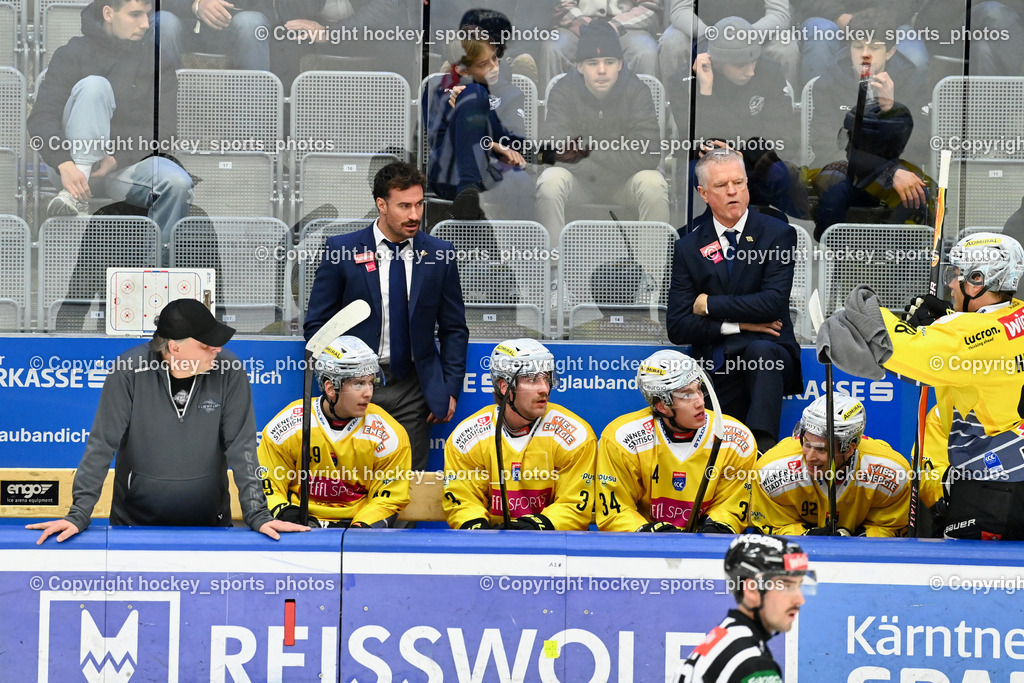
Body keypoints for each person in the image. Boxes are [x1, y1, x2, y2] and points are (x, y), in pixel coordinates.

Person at [27, 299, 308, 544]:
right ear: (175, 348)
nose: (218, 349)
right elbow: (102, 444)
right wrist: (79, 515)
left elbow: (242, 446)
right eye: (207, 344)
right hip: (134, 526)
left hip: (210, 523)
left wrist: (258, 514)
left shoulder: (230, 371)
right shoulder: (129, 371)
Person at [816, 232, 1024, 540]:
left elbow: (895, 348)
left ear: (978, 279)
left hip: (992, 489)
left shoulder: (966, 335)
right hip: (1011, 475)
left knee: (971, 581)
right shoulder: (1015, 315)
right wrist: (944, 321)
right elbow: (978, 338)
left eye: (957, 275)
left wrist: (865, 307)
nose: (951, 285)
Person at [304, 161, 469, 470]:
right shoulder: (342, 250)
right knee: (350, 480)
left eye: (419, 204)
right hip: (353, 386)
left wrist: (448, 388)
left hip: (413, 389)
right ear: (381, 205)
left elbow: (454, 329)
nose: (415, 215)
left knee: (407, 489)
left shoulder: (440, 254)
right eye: (404, 206)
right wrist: (343, 376)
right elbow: (317, 326)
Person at [667, 148, 802, 452]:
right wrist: (739, 324)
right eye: (721, 185)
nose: (732, 191)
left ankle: (762, 450)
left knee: (761, 349)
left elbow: (771, 304)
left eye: (738, 183)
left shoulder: (778, 234)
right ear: (703, 193)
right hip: (716, 355)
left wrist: (709, 305)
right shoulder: (688, 246)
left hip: (771, 352)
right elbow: (677, 326)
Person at [27, 0, 193, 240]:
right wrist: (64, 163)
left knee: (178, 183)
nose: (146, 24)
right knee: (95, 86)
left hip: (124, 167)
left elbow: (164, 130)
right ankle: (76, 190)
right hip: (70, 168)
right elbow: (42, 116)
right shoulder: (72, 52)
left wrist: (117, 159)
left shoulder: (158, 60)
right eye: (135, 15)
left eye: (147, 15)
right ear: (108, 13)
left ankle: (159, 269)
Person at [442, 339, 597, 530]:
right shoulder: (468, 437)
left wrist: (530, 528)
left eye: (547, 378)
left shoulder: (575, 434)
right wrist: (481, 536)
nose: (544, 388)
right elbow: (463, 501)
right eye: (532, 379)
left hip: (553, 546)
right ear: (505, 386)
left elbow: (574, 506)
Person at [596, 349, 758, 532]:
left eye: (699, 389)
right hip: (646, 548)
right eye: (686, 394)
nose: (700, 401)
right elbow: (616, 510)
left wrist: (716, 528)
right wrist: (650, 532)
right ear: (662, 405)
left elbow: (732, 505)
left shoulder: (735, 438)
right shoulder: (622, 438)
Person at [536, 19, 668, 243]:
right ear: (579, 66)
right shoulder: (563, 90)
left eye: (609, 62)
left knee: (653, 184)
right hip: (581, 182)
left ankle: (651, 274)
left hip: (624, 181)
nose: (601, 70)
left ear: (620, 64)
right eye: (592, 62)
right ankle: (554, 271)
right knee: (549, 181)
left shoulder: (637, 91)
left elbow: (648, 153)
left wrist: (588, 151)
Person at [257, 335, 411, 528]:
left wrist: (360, 527)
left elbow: (389, 498)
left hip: (355, 529)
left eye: (371, 382)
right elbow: (266, 484)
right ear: (330, 387)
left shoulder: (389, 434)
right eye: (359, 383)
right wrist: (287, 513)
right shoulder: (289, 425)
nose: (368, 392)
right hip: (298, 526)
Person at [667, 15, 805, 224]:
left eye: (754, 61)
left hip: (753, 159)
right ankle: (702, 237)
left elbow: (784, 135)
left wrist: (741, 154)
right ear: (718, 62)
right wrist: (705, 92)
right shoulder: (683, 81)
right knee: (695, 172)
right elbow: (693, 139)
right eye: (740, 65)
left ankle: (777, 232)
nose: (750, 71)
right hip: (708, 164)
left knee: (781, 173)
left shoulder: (769, 71)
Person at [808, 8, 927, 240]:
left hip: (897, 170)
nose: (864, 55)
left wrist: (891, 110)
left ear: (890, 52)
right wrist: (886, 171)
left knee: (919, 194)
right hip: (846, 171)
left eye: (874, 48)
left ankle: (896, 266)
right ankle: (830, 265)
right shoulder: (829, 81)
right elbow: (827, 145)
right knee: (833, 188)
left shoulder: (911, 79)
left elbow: (921, 142)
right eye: (857, 46)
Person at [749, 394, 911, 537]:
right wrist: (806, 536)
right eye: (806, 444)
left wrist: (860, 540)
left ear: (849, 448)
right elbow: (775, 524)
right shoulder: (769, 469)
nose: (810, 457)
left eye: (821, 449)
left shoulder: (894, 472)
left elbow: (890, 527)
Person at [422, 22, 533, 220]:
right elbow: (437, 142)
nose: (494, 68)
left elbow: (513, 146)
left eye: (494, 58)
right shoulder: (435, 90)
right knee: (475, 93)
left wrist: (469, 112)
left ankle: (522, 250)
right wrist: (489, 142)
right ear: (463, 70)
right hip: (448, 172)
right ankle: (468, 187)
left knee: (522, 181)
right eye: (484, 64)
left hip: (492, 171)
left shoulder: (510, 92)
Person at [677, 534, 816, 683]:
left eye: (799, 585)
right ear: (752, 589)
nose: (800, 600)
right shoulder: (753, 665)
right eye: (786, 586)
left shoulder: (725, 638)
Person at [539, 0, 662, 86]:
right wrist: (587, 26)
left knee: (645, 51)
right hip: (578, 24)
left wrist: (614, 26)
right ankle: (551, 119)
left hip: (627, 25)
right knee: (553, 48)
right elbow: (562, 5)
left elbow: (650, 6)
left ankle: (646, 120)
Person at [158, 0, 272, 70]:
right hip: (184, 25)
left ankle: (252, 106)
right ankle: (162, 106)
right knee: (163, 22)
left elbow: (265, 7)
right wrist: (196, 4)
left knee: (251, 23)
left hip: (233, 27)